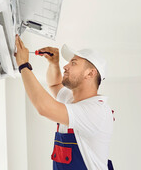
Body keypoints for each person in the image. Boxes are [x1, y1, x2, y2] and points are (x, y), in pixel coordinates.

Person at [14, 34, 114, 170]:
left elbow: (44, 108)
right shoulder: (73, 100)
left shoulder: (96, 111)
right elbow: (55, 85)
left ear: (90, 73)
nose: (65, 66)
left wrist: (24, 65)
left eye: (73, 63)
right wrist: (53, 64)